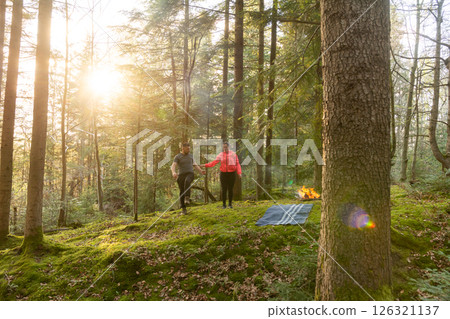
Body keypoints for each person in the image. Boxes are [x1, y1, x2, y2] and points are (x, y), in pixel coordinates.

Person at [202, 141, 242, 209]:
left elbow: (237, 164)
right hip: (223, 174)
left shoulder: (233, 154)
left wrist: (239, 173)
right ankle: (224, 204)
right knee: (224, 189)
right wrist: (205, 165)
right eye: (224, 147)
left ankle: (230, 204)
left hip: (231, 174)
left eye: (226, 147)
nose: (225, 148)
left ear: (228, 147)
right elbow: (214, 162)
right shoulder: (220, 155)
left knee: (230, 189)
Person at [171, 142, 205, 214]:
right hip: (181, 175)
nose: (189, 150)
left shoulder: (191, 156)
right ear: (183, 148)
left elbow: (195, 165)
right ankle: (183, 209)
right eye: (187, 148)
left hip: (190, 173)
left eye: (189, 148)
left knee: (187, 181)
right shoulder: (178, 156)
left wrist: (201, 171)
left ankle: (187, 197)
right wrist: (173, 172)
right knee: (181, 191)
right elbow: (173, 165)